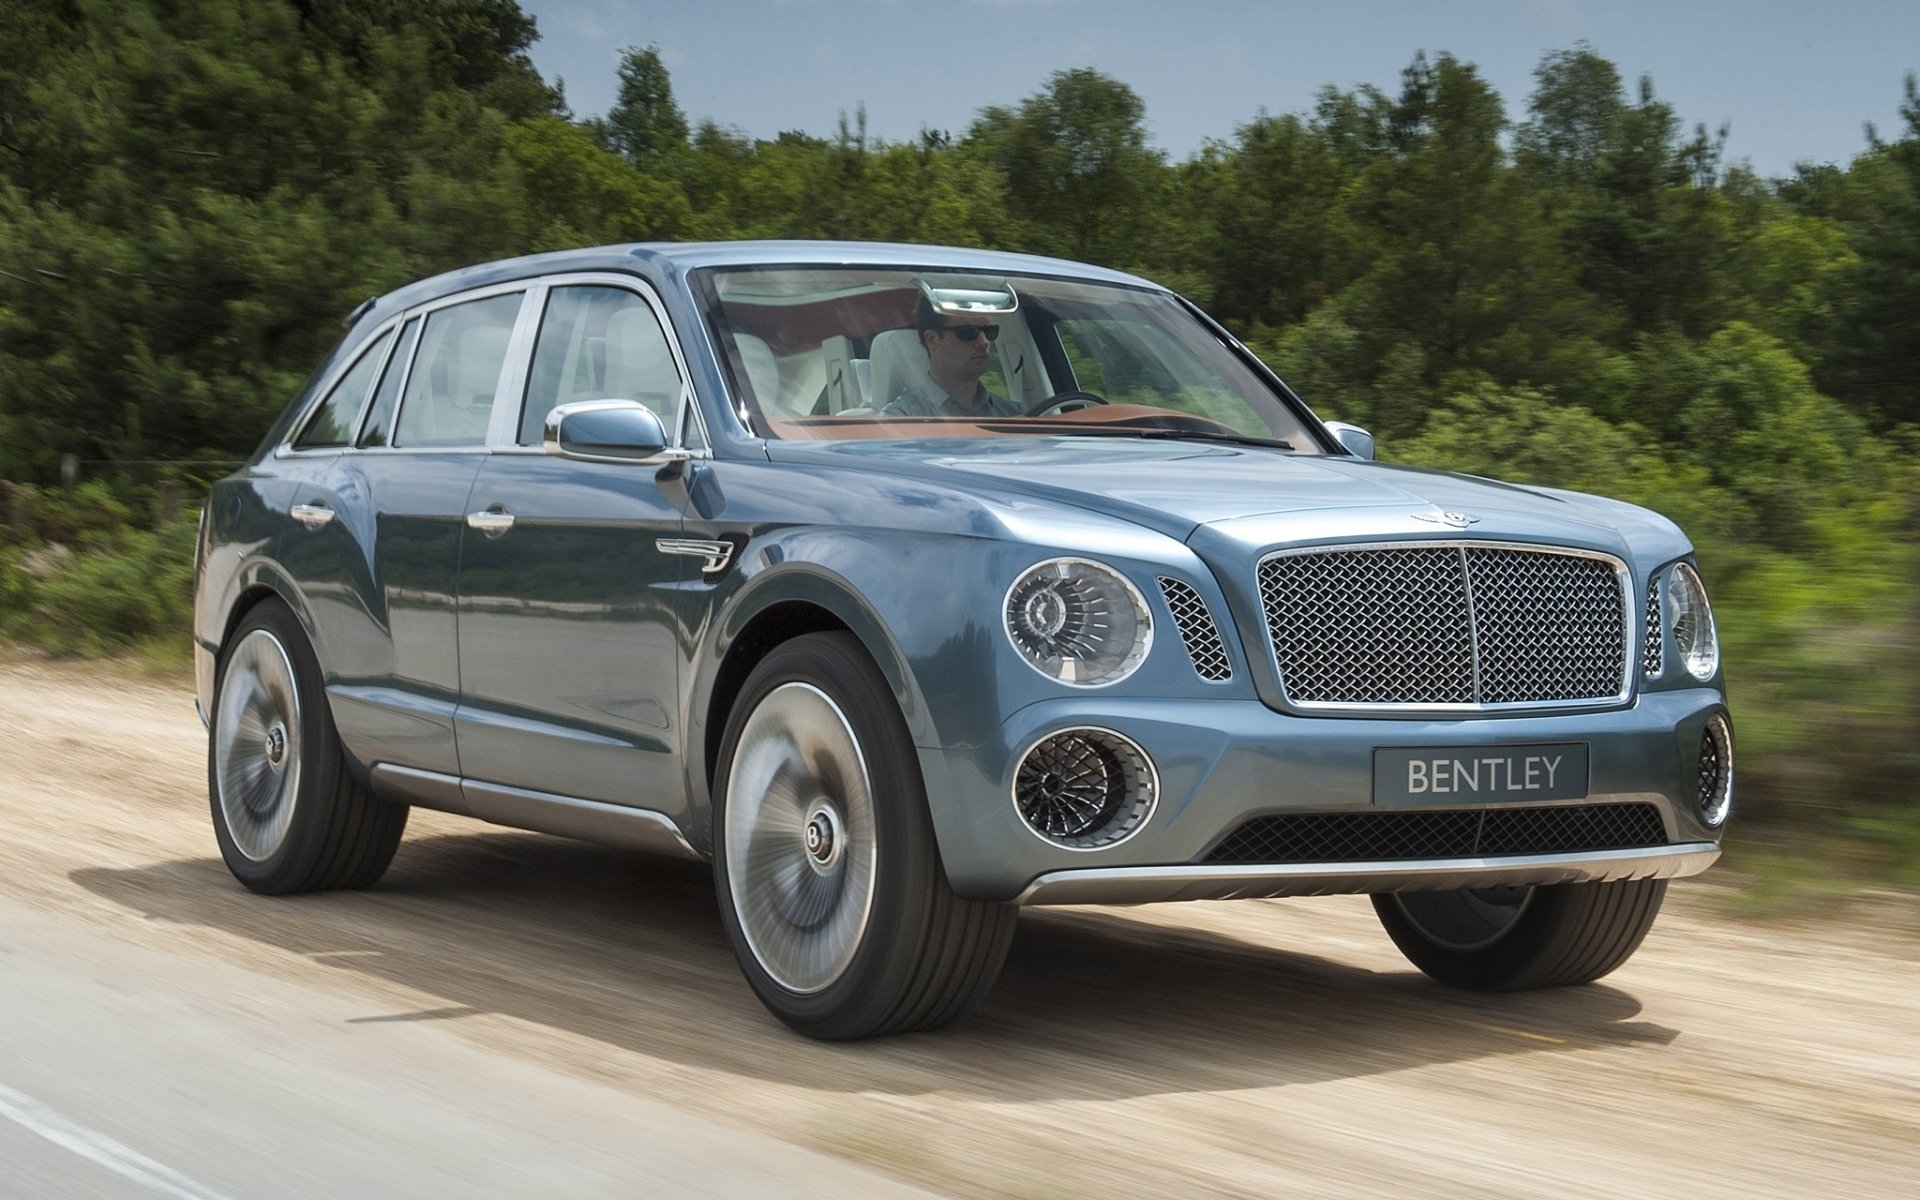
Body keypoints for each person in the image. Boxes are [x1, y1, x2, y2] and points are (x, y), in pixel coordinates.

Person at [881, 296, 1025, 418]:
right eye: (968, 332)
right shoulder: (899, 420)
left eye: (989, 331)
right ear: (932, 340)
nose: (984, 342)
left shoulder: (1016, 415)